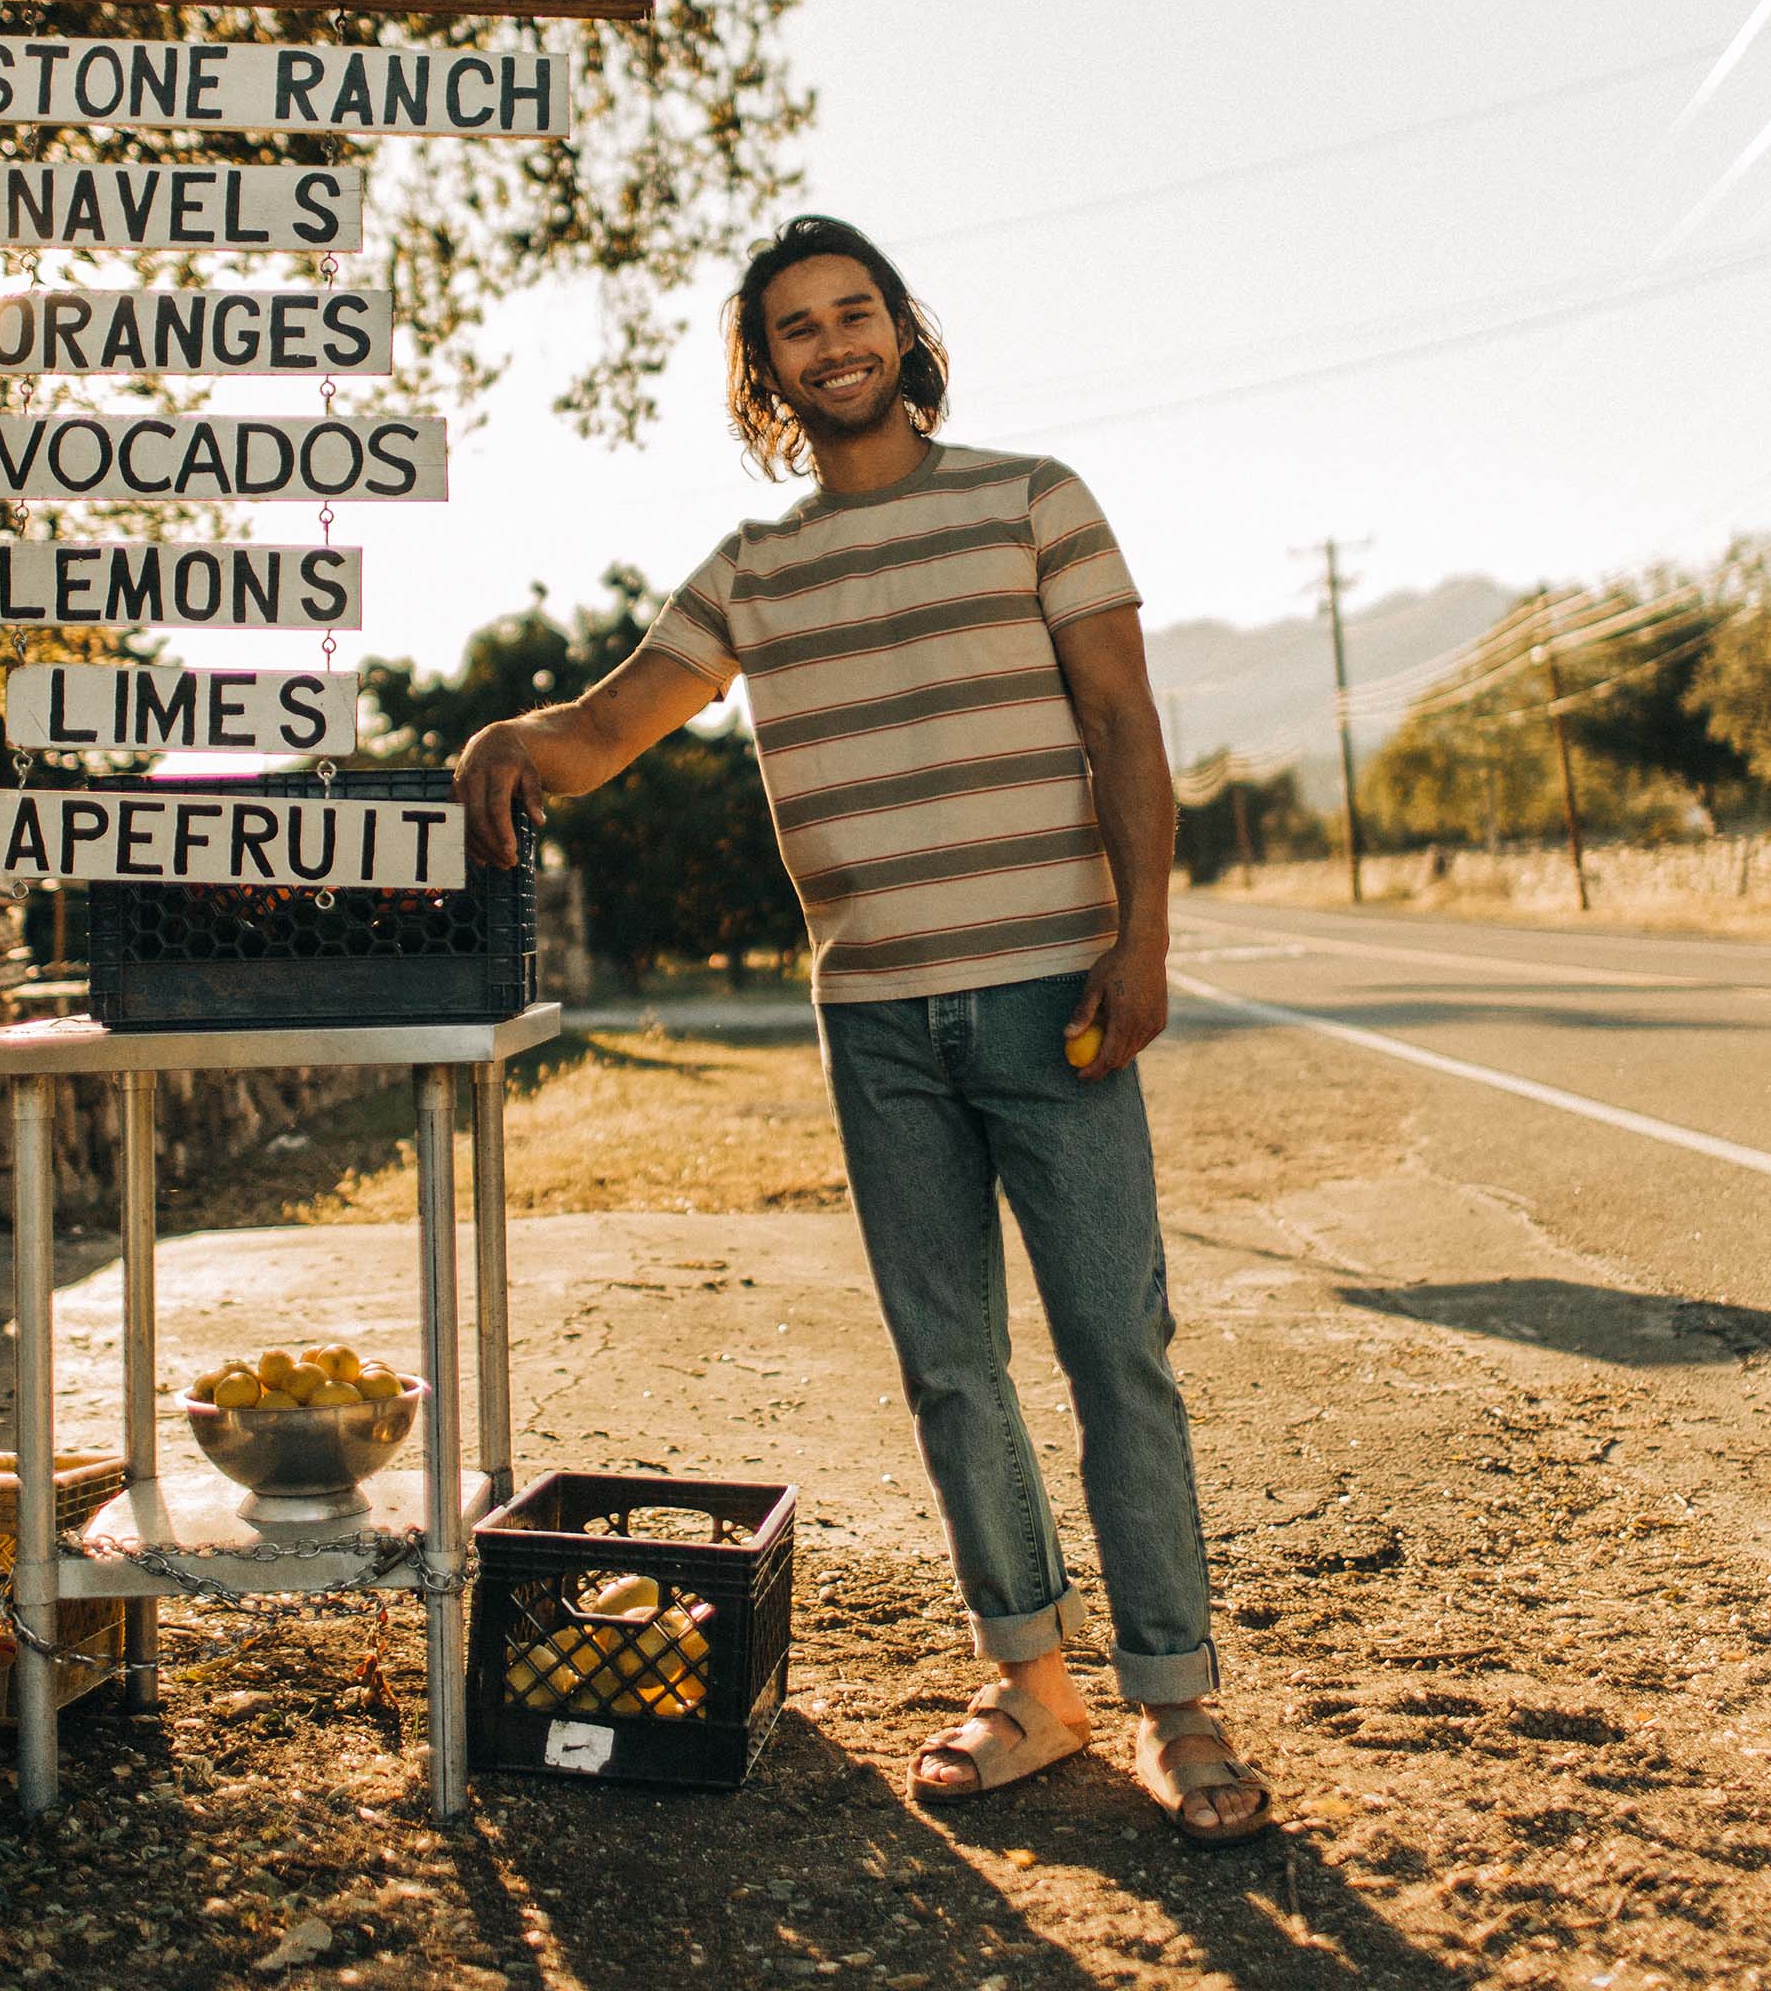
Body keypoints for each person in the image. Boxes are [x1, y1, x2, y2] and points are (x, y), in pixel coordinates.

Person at [454, 214, 1273, 1843]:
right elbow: (615, 722)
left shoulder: (1033, 498)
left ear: (904, 329)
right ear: (763, 371)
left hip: (1059, 997)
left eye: (857, 313)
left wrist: (1143, 943)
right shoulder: (752, 573)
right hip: (876, 1019)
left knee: (1120, 1350)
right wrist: (506, 737)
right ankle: (1031, 1686)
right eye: (796, 329)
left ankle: (1174, 1702)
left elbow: (1123, 720)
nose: (834, 344)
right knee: (952, 1366)